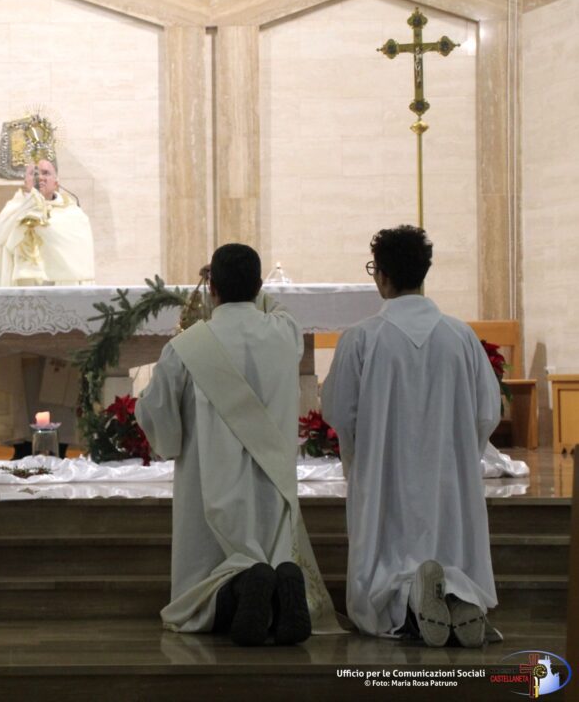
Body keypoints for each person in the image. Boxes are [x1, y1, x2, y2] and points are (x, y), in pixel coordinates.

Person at [135, 244, 340, 645]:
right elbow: (276, 307)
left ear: (211, 287)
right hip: (271, 486)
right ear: (259, 285)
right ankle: (279, 589)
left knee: (204, 586)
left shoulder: (186, 347)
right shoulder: (283, 333)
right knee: (274, 549)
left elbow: (159, 418)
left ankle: (238, 590)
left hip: (209, 489)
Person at [321, 225, 501, 648]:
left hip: (385, 473)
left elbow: (338, 410)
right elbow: (488, 411)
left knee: (386, 556)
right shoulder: (460, 336)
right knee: (449, 544)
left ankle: (406, 603)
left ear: (381, 275)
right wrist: (459, 452)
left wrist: (361, 452)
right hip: (447, 473)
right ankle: (458, 596)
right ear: (424, 273)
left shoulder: (363, 338)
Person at [0, 156, 95, 458]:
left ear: (57, 180)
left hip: (62, 317)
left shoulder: (73, 216)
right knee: (25, 389)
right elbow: (2, 233)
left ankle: (60, 446)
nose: (41, 177)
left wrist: (42, 225)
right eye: (34, 173)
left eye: (46, 172)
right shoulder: (13, 209)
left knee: (60, 386)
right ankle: (21, 448)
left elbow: (75, 253)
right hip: (20, 318)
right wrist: (28, 204)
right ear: (24, 180)